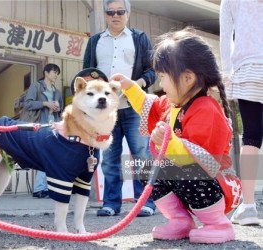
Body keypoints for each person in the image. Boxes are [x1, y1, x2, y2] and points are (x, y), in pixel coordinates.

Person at [112, 27, 241, 244]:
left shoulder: (207, 109)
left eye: (163, 77)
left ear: (188, 78)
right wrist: (129, 87)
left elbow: (204, 162)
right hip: (188, 180)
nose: (160, 84)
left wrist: (169, 143)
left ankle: (218, 224)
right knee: (145, 169)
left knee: (188, 172)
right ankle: (180, 221)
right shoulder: (173, 104)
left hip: (216, 185)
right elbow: (147, 104)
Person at [83, 0, 157, 217]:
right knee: (110, 158)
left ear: (128, 13)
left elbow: (151, 70)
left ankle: (145, 202)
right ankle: (111, 204)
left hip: (134, 106)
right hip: (107, 111)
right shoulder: (95, 41)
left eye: (120, 11)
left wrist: (137, 85)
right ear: (105, 15)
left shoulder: (139, 38)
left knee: (142, 154)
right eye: (110, 12)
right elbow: (87, 74)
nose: (115, 15)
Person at [220, 0, 263, 226]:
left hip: (249, 70)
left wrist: (227, 75)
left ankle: (248, 207)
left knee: (252, 137)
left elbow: (225, 37)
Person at [21, 63, 63, 198]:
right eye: (54, 72)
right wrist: (45, 103)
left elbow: (60, 110)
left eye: (57, 73)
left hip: (53, 127)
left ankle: (44, 188)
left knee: (51, 158)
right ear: (46, 72)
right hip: (40, 126)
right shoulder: (36, 86)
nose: (56, 75)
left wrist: (57, 108)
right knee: (46, 156)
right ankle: (40, 188)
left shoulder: (57, 92)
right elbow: (27, 103)